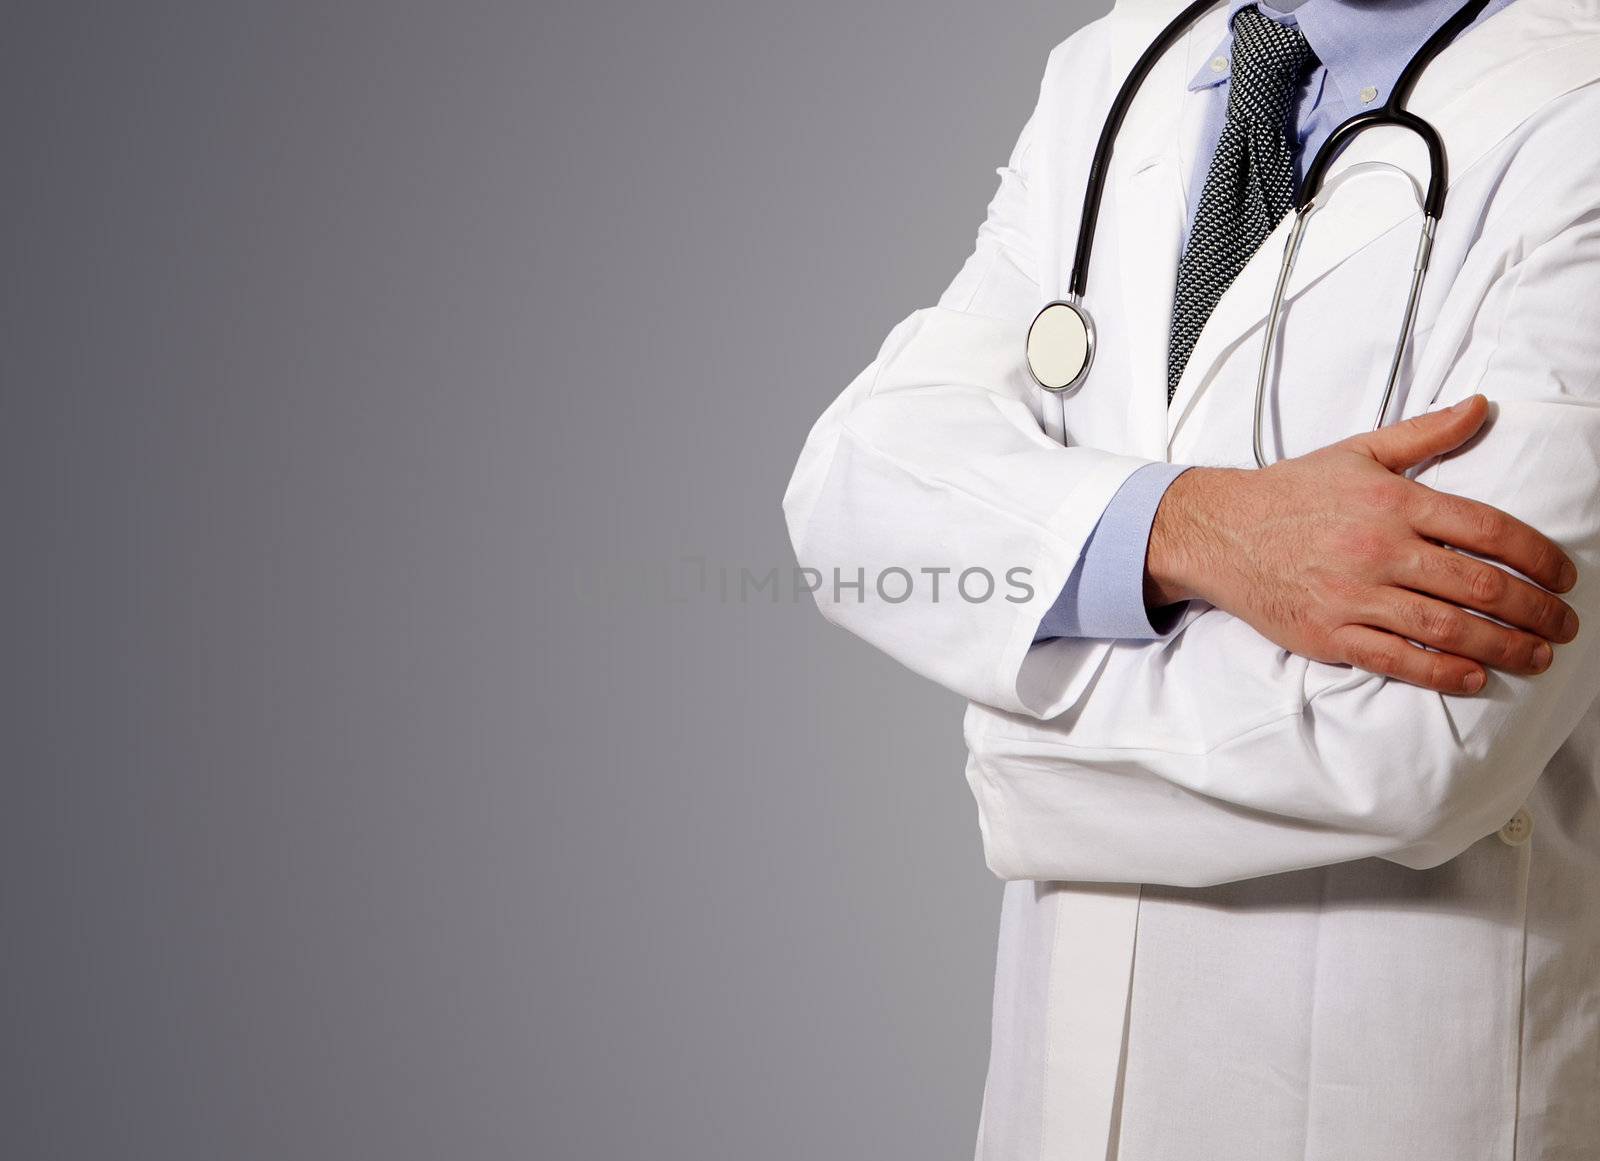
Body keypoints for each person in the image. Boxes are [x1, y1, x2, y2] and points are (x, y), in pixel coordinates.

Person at [781, 0, 1600, 1157]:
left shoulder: (1579, 116)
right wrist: (1196, 528)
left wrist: (1007, 740)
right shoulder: (1118, 70)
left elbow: (1414, 749)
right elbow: (854, 501)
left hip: (1406, 1101)